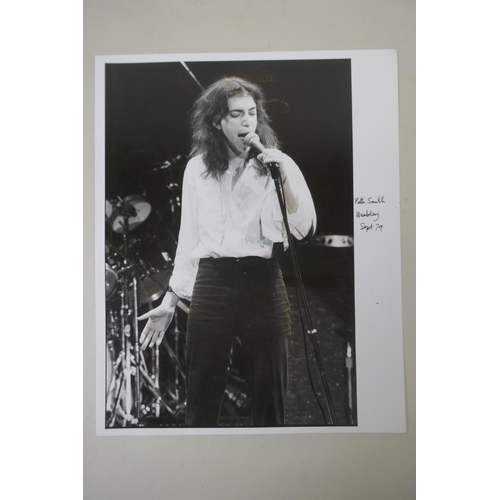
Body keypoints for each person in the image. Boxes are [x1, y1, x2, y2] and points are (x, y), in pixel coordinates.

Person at [138, 76, 316, 427]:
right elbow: (189, 239)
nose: (247, 121)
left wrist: (282, 178)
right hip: (213, 280)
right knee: (202, 396)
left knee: (270, 394)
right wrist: (171, 301)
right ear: (217, 121)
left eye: (252, 112)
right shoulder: (197, 169)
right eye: (236, 114)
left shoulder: (277, 163)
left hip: (262, 279)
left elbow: (304, 227)